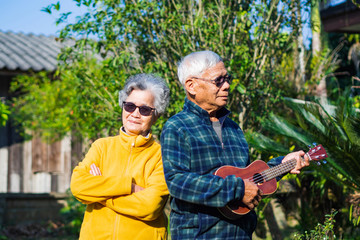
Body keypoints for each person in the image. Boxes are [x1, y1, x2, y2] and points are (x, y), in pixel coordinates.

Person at [160, 50, 310, 239]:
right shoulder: (177, 127)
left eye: (227, 78)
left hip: (240, 234)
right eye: (218, 81)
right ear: (192, 86)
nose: (227, 86)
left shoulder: (233, 128)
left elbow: (250, 178)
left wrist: (283, 164)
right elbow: (177, 182)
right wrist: (237, 189)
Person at [70, 73, 170, 240]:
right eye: (130, 106)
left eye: (145, 109)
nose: (135, 114)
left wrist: (100, 192)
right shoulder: (101, 146)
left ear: (156, 115)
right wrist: (129, 187)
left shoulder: (161, 156)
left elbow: (150, 206)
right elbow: (78, 186)